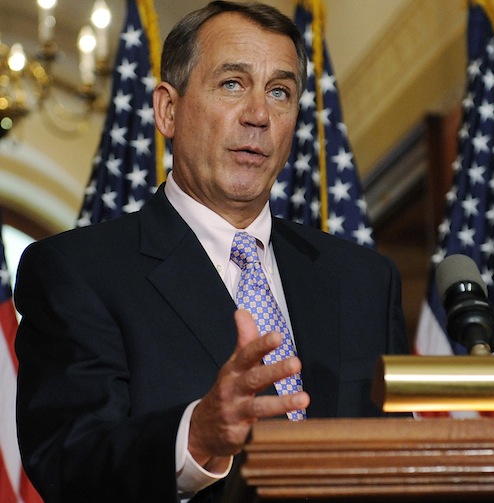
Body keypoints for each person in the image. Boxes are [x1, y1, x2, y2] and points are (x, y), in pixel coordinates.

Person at [14, 2, 409, 501]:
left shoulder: (364, 281)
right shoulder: (77, 272)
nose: (259, 115)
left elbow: (398, 456)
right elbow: (69, 460)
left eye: (280, 92)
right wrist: (195, 437)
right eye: (232, 84)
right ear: (168, 110)